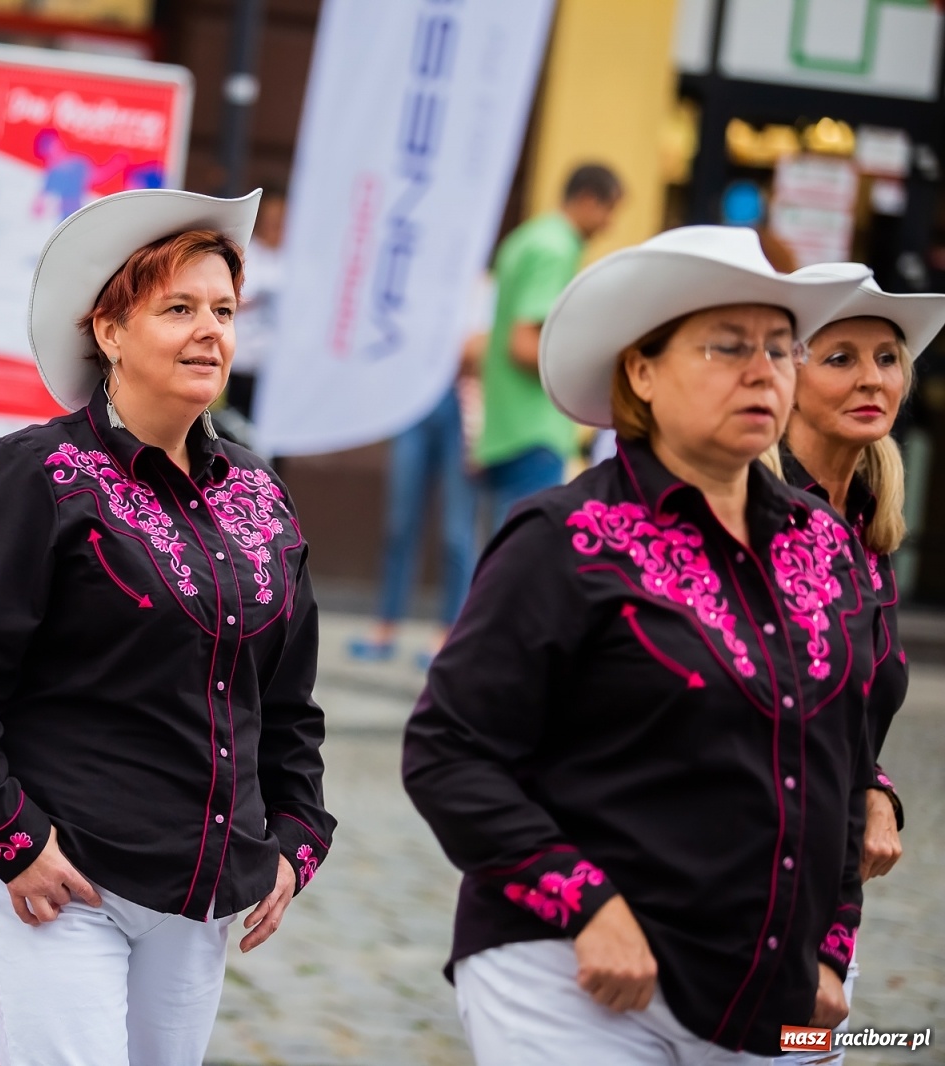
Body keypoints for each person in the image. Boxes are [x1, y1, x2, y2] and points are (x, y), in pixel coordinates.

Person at [402, 226, 874, 1063]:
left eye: (779, 347)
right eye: (727, 347)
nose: (762, 370)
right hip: (575, 973)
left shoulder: (827, 545)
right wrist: (588, 906)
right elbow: (448, 752)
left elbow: (834, 762)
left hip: (777, 993)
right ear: (642, 372)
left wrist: (833, 946)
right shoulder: (564, 537)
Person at [0, 188, 335, 1066]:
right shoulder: (39, 476)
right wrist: (11, 839)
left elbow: (286, 700)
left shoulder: (261, 494)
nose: (209, 330)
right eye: (178, 308)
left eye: (223, 309)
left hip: (205, 890)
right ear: (109, 330)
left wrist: (298, 833)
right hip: (64, 875)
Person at [769, 274, 945, 1065]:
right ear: (785, 376)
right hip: (742, 911)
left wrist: (878, 788)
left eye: (888, 357)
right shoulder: (757, 518)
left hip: (821, 914)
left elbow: (846, 723)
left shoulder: (868, 533)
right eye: (841, 357)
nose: (873, 377)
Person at [349, 277, 491, 663]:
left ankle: (449, 631)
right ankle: (386, 624)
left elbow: (479, 349)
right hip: (414, 405)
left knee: (456, 531)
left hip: (460, 407)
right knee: (399, 522)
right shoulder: (423, 279)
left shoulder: (483, 286)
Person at [476, 163, 622, 535]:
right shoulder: (556, 248)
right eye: (609, 211)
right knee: (520, 555)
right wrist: (589, 365)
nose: (609, 224)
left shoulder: (529, 237)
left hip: (505, 424)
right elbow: (524, 344)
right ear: (588, 200)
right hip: (535, 428)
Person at [225, 186, 285, 419]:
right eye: (272, 218)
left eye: (282, 218)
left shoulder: (296, 259)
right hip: (241, 362)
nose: (277, 224)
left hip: (275, 366)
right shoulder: (245, 252)